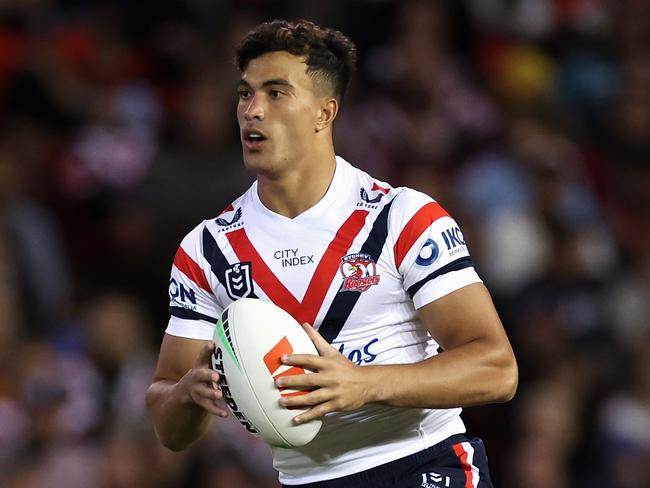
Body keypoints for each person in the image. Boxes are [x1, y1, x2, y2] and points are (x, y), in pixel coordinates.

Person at [145, 19, 518, 488]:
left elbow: (497, 368)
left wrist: (364, 383)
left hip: (421, 463)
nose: (252, 111)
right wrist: (187, 393)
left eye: (276, 93)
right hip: (305, 480)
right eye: (245, 94)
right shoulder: (206, 250)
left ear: (325, 112)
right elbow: (168, 426)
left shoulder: (400, 217)